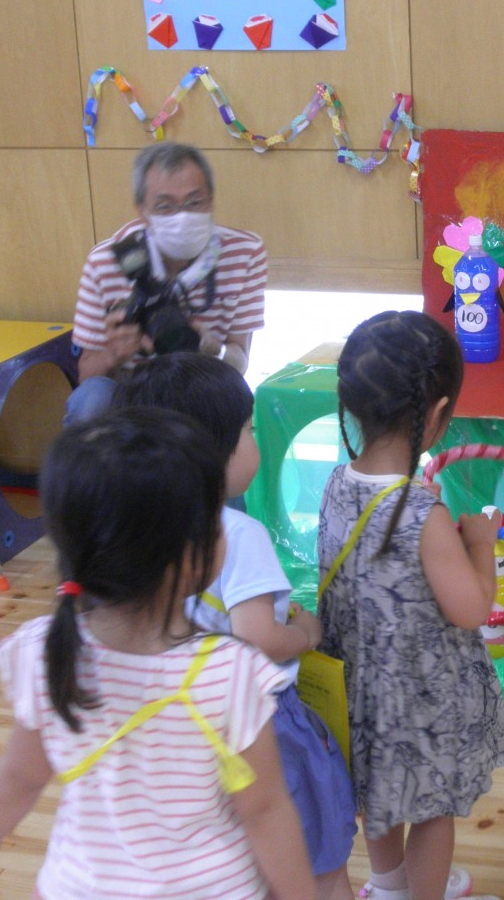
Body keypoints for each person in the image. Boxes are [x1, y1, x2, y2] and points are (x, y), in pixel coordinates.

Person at [0, 409, 315, 900]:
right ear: (188, 557)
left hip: (78, 888)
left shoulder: (45, 651)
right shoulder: (230, 671)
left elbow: (21, 775)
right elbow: (264, 809)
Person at [114, 353, 358, 900]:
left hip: (180, 731)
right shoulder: (237, 534)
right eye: (248, 429)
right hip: (261, 724)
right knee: (317, 860)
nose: (255, 440)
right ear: (208, 455)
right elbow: (258, 639)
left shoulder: (134, 530)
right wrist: (305, 634)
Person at [318, 312, 504, 900]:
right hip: (421, 695)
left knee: (377, 795)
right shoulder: (423, 514)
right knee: (432, 807)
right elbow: (471, 608)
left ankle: (387, 886)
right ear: (437, 413)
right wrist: (479, 543)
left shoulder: (336, 483)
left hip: (359, 688)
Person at [66, 141, 267, 425]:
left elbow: (240, 363)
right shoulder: (106, 262)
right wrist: (114, 353)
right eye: (164, 206)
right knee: (92, 398)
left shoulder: (245, 252)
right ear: (142, 210)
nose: (181, 216)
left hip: (200, 386)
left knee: (235, 398)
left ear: (211, 200)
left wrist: (213, 349)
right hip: (130, 389)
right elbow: (86, 376)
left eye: (194, 202)